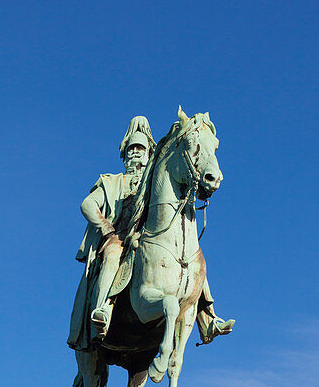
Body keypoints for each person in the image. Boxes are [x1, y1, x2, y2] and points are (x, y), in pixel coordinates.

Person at [68, 116, 234, 350]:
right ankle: (103, 308)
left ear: (149, 153)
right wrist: (106, 227)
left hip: (149, 237)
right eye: (132, 149)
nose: (136, 153)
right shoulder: (112, 181)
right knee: (113, 253)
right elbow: (87, 204)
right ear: (124, 154)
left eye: (141, 148)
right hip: (120, 236)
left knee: (193, 257)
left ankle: (207, 317)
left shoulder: (154, 180)